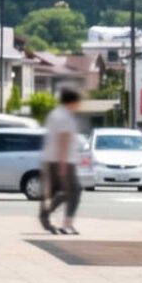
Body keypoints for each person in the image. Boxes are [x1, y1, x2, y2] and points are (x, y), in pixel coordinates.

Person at [42, 87, 86, 235]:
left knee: (63, 191)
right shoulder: (65, 117)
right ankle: (65, 222)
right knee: (75, 190)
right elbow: (63, 141)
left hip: (53, 159)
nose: (79, 106)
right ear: (71, 102)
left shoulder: (54, 114)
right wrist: (63, 166)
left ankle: (48, 214)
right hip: (65, 161)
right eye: (78, 102)